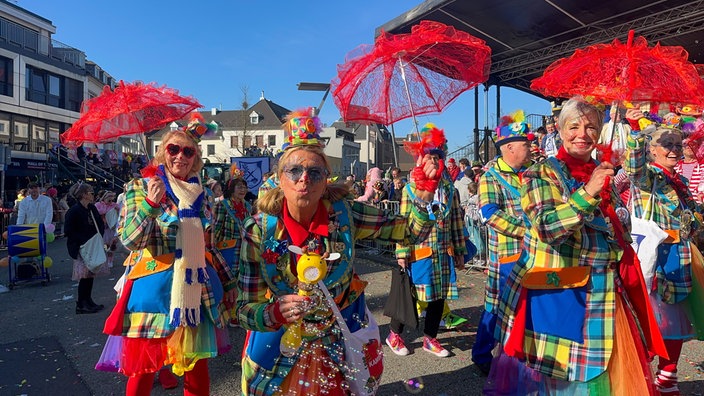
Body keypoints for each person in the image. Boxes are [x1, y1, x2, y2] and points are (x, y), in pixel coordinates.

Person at [237, 108, 441, 395]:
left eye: (314, 172)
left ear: (326, 180)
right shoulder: (259, 229)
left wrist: (423, 196)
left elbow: (409, 231)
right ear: (280, 178)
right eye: (294, 170)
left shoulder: (346, 214)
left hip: (340, 346)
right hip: (280, 350)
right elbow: (244, 308)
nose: (304, 179)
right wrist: (273, 312)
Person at [487, 97, 666, 394]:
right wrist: (588, 193)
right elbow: (546, 227)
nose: (582, 133)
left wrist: (634, 130)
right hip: (560, 294)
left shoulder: (602, 169)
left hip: (606, 294)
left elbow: (625, 205)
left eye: (591, 126)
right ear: (558, 130)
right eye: (574, 126)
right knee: (562, 381)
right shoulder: (540, 173)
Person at [103, 113, 236, 396]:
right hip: (155, 288)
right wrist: (151, 203)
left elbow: (210, 244)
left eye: (188, 151)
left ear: (196, 158)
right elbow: (130, 240)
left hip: (195, 289)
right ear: (162, 153)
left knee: (196, 370)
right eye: (173, 149)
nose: (180, 156)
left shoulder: (204, 194)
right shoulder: (139, 187)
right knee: (144, 369)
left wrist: (228, 280)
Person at [624, 111, 704, 395]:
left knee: (675, 328)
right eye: (666, 144)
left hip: (680, 258)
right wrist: (635, 129)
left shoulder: (679, 181)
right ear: (652, 149)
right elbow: (633, 168)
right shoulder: (650, 177)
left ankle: (667, 380)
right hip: (654, 261)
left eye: (677, 144)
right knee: (650, 326)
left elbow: (694, 217)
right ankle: (641, 380)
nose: (673, 149)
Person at [389, 124, 466, 359]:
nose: (434, 161)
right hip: (418, 252)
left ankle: (430, 339)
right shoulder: (410, 190)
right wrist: (401, 251)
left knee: (438, 297)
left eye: (437, 157)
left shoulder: (450, 189)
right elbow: (401, 222)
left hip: (443, 252)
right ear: (420, 160)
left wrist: (460, 250)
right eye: (429, 157)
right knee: (411, 294)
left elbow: (456, 221)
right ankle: (394, 333)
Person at [472, 112, 533, 375]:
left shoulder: (530, 174)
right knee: (496, 307)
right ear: (509, 147)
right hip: (507, 257)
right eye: (526, 144)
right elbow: (490, 214)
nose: (531, 147)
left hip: (533, 254)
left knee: (526, 306)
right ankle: (482, 355)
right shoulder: (491, 177)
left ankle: (520, 353)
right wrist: (528, 230)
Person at [211, 164, 252, 326]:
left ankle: (236, 314)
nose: (242, 190)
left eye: (244, 187)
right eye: (239, 187)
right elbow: (216, 229)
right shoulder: (222, 206)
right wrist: (213, 249)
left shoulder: (248, 207)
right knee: (228, 282)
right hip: (227, 250)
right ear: (231, 189)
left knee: (242, 281)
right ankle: (226, 313)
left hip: (244, 250)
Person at [64, 182, 106, 314]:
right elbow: (69, 230)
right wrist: (81, 241)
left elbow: (99, 224)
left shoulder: (91, 209)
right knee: (84, 276)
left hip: (92, 245)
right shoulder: (73, 211)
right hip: (82, 246)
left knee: (90, 275)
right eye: (90, 193)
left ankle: (88, 300)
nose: (93, 195)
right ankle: (81, 303)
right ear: (83, 195)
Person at [675, 135, 704, 203]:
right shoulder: (675, 167)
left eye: (692, 143)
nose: (689, 146)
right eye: (685, 144)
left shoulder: (702, 166)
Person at [94, 191, 119, 268]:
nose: (111, 202)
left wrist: (117, 210)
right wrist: (106, 208)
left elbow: (120, 212)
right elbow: (98, 212)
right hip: (101, 228)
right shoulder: (98, 205)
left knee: (111, 245)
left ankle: (110, 260)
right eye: (109, 200)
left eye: (112, 200)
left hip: (110, 228)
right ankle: (103, 260)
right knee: (103, 246)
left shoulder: (114, 205)